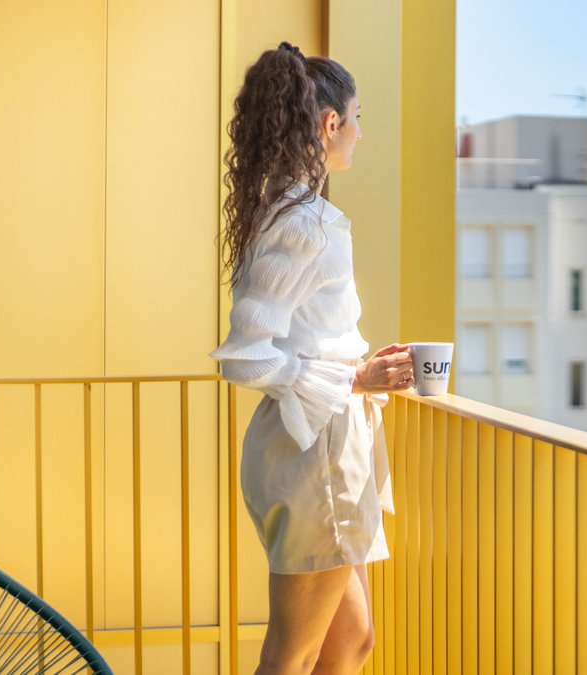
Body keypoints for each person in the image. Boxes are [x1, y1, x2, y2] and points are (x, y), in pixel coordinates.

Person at [209, 41, 413, 675]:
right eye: (357, 118)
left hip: (319, 446)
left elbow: (303, 336)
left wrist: (355, 371)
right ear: (330, 124)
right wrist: (355, 377)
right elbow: (244, 357)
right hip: (316, 454)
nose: (359, 132)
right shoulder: (306, 224)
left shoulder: (288, 212)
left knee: (352, 641)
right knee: (292, 656)